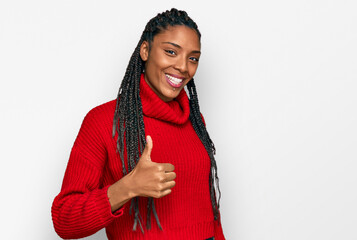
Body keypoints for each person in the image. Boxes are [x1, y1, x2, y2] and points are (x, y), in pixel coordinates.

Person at [51, 8, 225, 240]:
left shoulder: (194, 119)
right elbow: (65, 220)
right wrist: (128, 187)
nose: (183, 67)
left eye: (193, 58)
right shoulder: (103, 121)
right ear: (145, 50)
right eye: (171, 52)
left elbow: (210, 214)